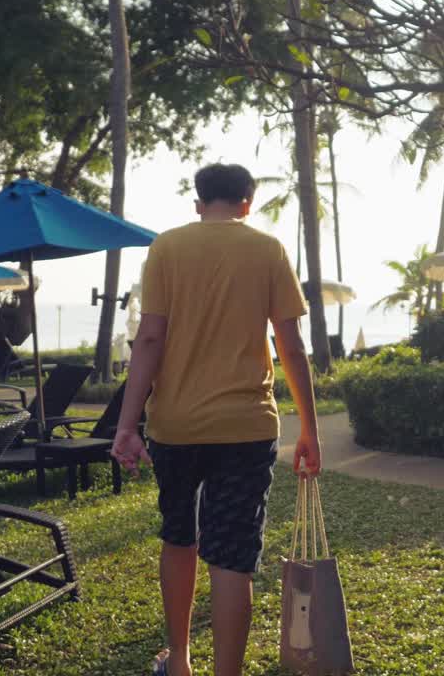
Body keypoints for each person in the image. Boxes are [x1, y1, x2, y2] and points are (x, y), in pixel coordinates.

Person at [112, 163, 322, 676]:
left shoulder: (167, 247)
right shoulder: (267, 249)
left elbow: (150, 339)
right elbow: (290, 345)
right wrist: (310, 430)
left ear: (198, 203)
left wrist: (125, 424)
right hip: (246, 427)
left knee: (179, 536)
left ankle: (179, 662)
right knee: (232, 559)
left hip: (175, 426)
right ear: (248, 203)